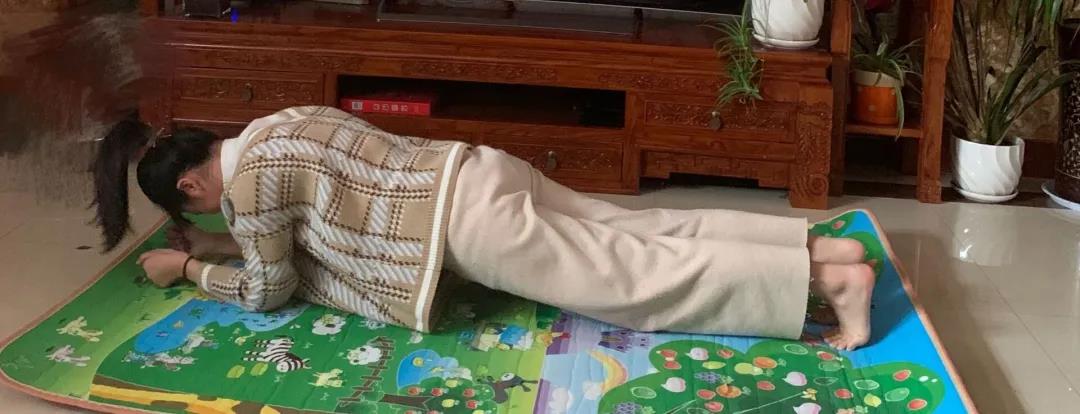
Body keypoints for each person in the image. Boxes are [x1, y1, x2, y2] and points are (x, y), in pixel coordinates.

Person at [93, 106, 875, 350]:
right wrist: (223, 240)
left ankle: (830, 283)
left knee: (633, 281)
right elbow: (310, 217)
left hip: (465, 225)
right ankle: (810, 246)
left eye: (198, 209)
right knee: (638, 230)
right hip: (476, 170)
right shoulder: (271, 126)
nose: (215, 215)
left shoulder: (248, 190)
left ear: (191, 185)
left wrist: (190, 268)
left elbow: (272, 285)